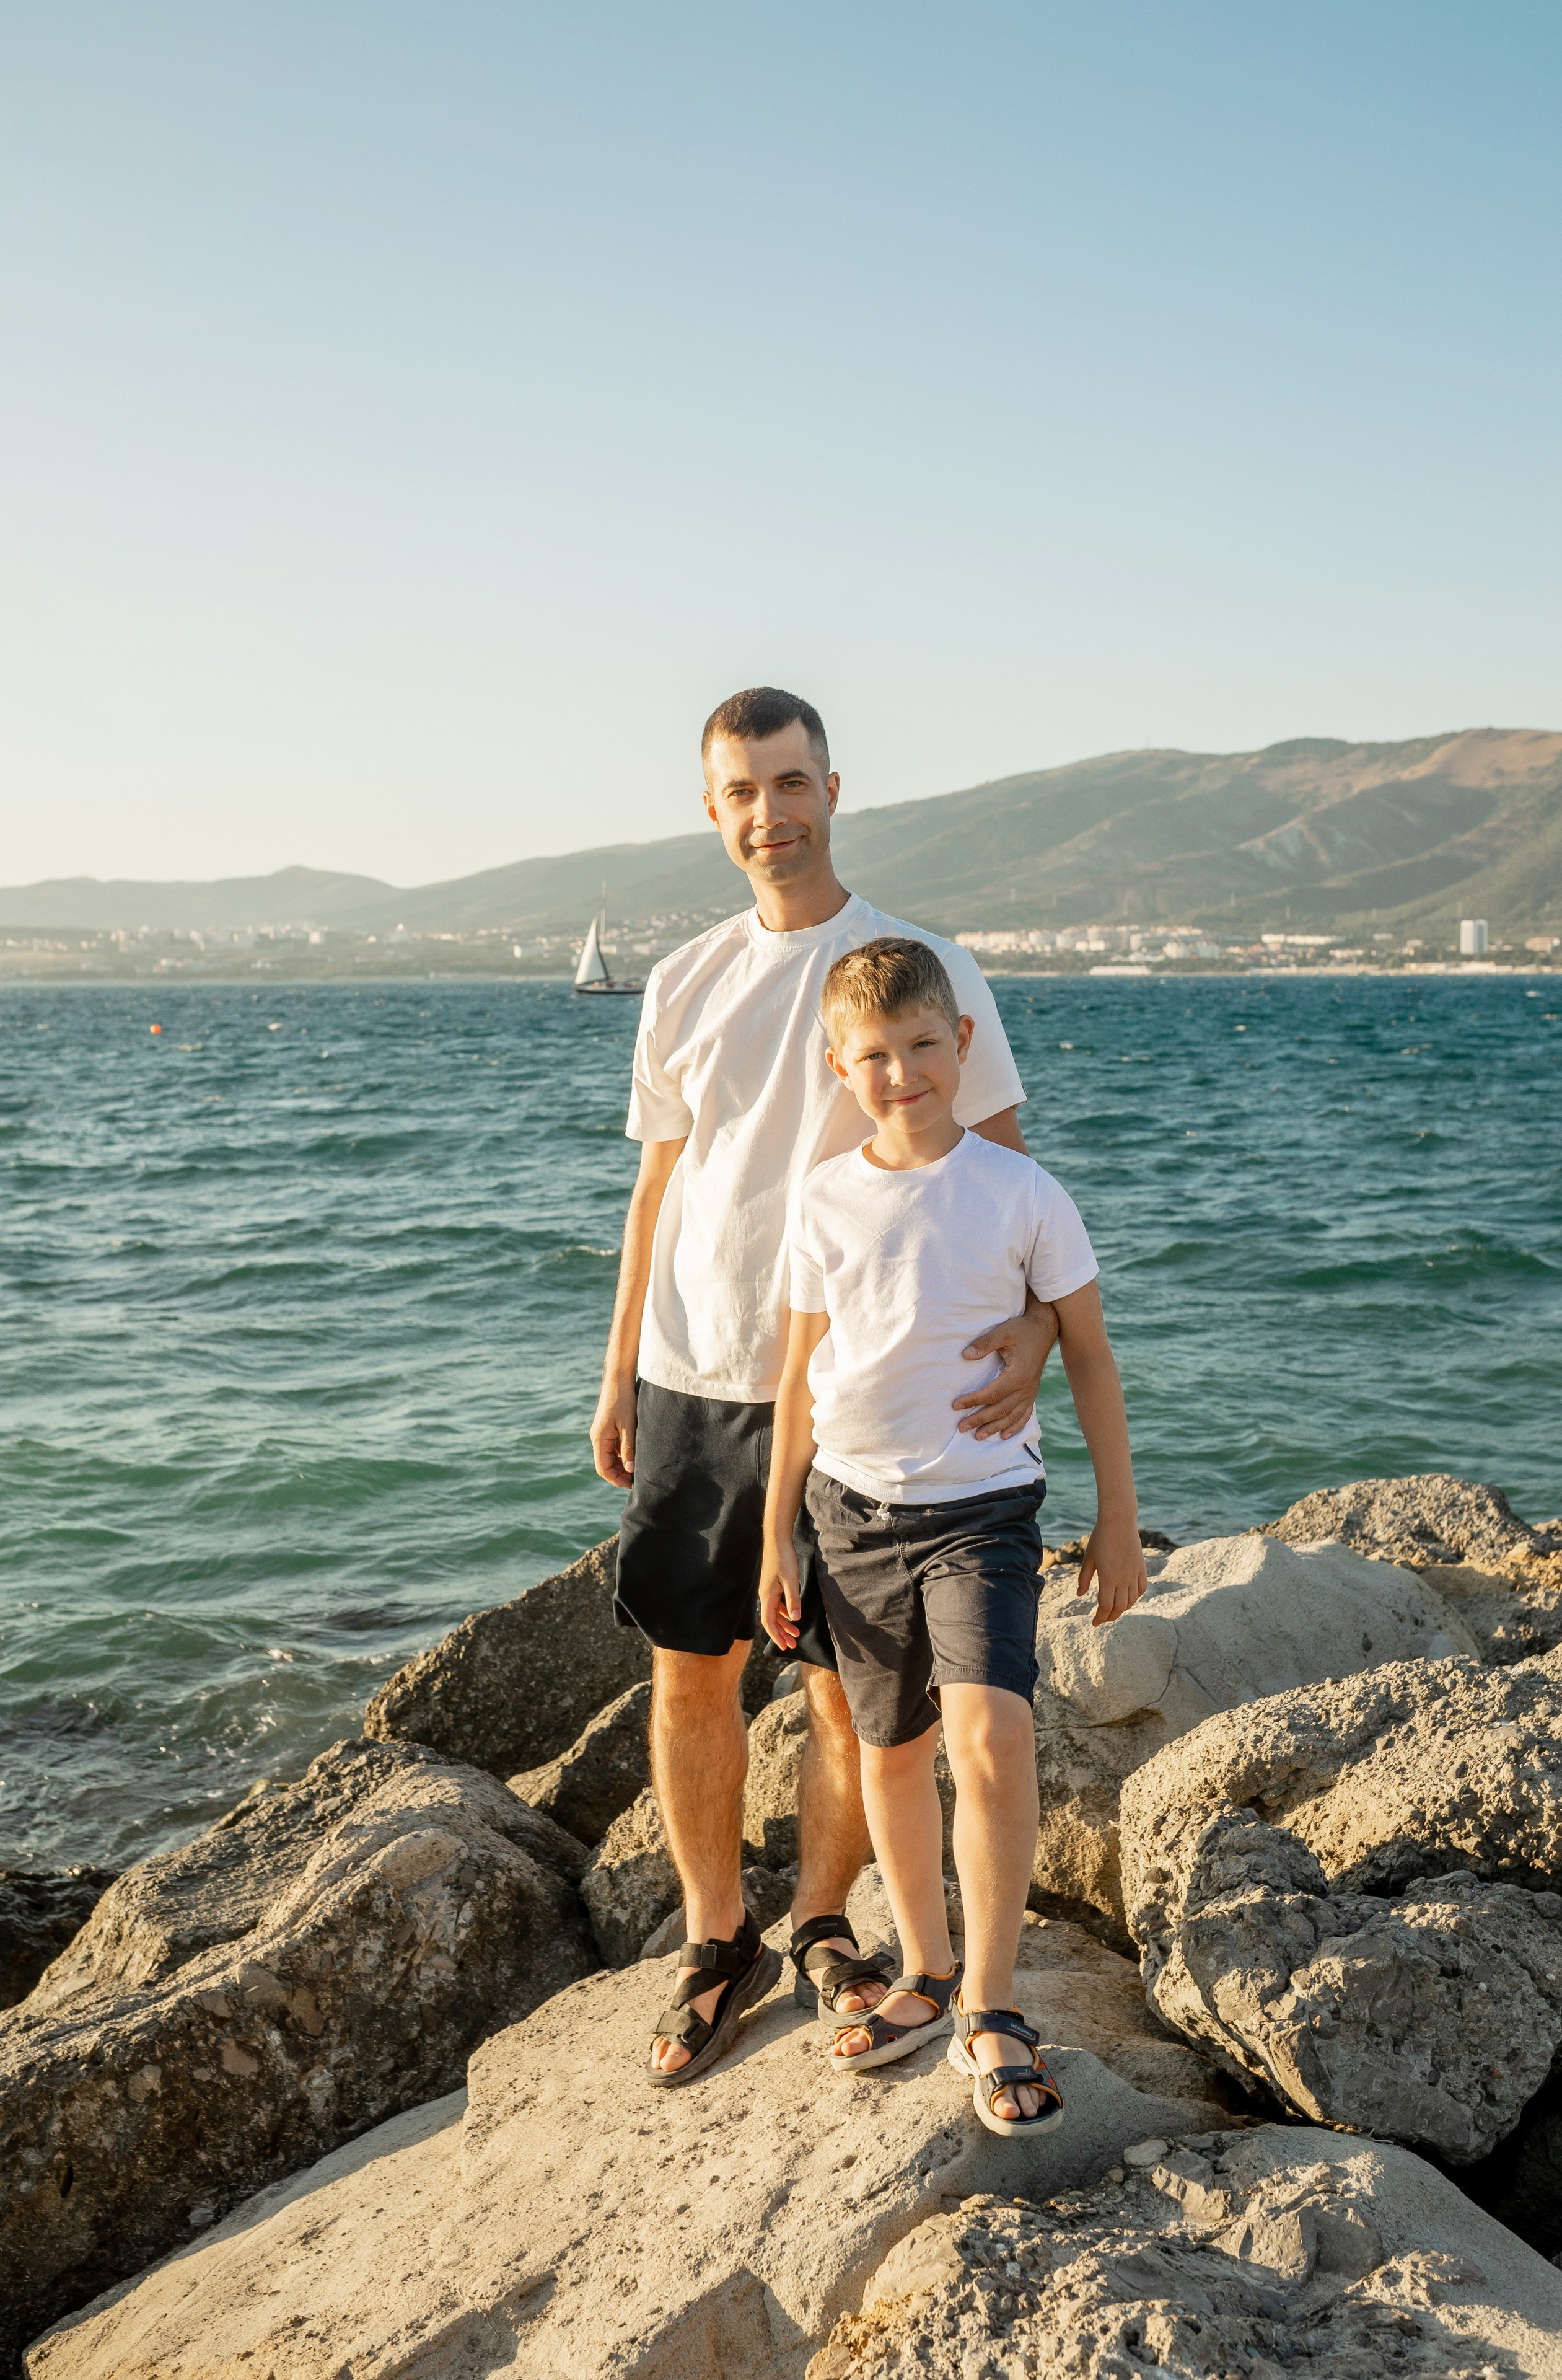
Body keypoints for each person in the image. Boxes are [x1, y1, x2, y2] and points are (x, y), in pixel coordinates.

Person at [590, 685, 1063, 2086]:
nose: (768, 814)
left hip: (859, 1397)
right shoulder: (681, 980)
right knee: (693, 1674)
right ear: (712, 810)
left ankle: (819, 1922)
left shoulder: (923, 966)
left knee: (851, 1697)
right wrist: (616, 1374)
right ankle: (715, 1936)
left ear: (832, 791)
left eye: (790, 784)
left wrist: (1038, 1332)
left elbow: (1005, 1173)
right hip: (692, 1372)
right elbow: (657, 1187)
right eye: (741, 792)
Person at [759, 935, 1146, 2133]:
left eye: (924, 1044)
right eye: (874, 1055)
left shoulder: (1022, 1192)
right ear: (839, 1066)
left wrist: (1118, 1519)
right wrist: (776, 1530)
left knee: (991, 1736)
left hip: (984, 1511)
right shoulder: (824, 1198)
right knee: (890, 1750)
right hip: (851, 1512)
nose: (902, 1072)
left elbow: (1090, 1354)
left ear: (963, 1043)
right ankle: (924, 1972)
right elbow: (798, 1376)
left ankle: (993, 2003)